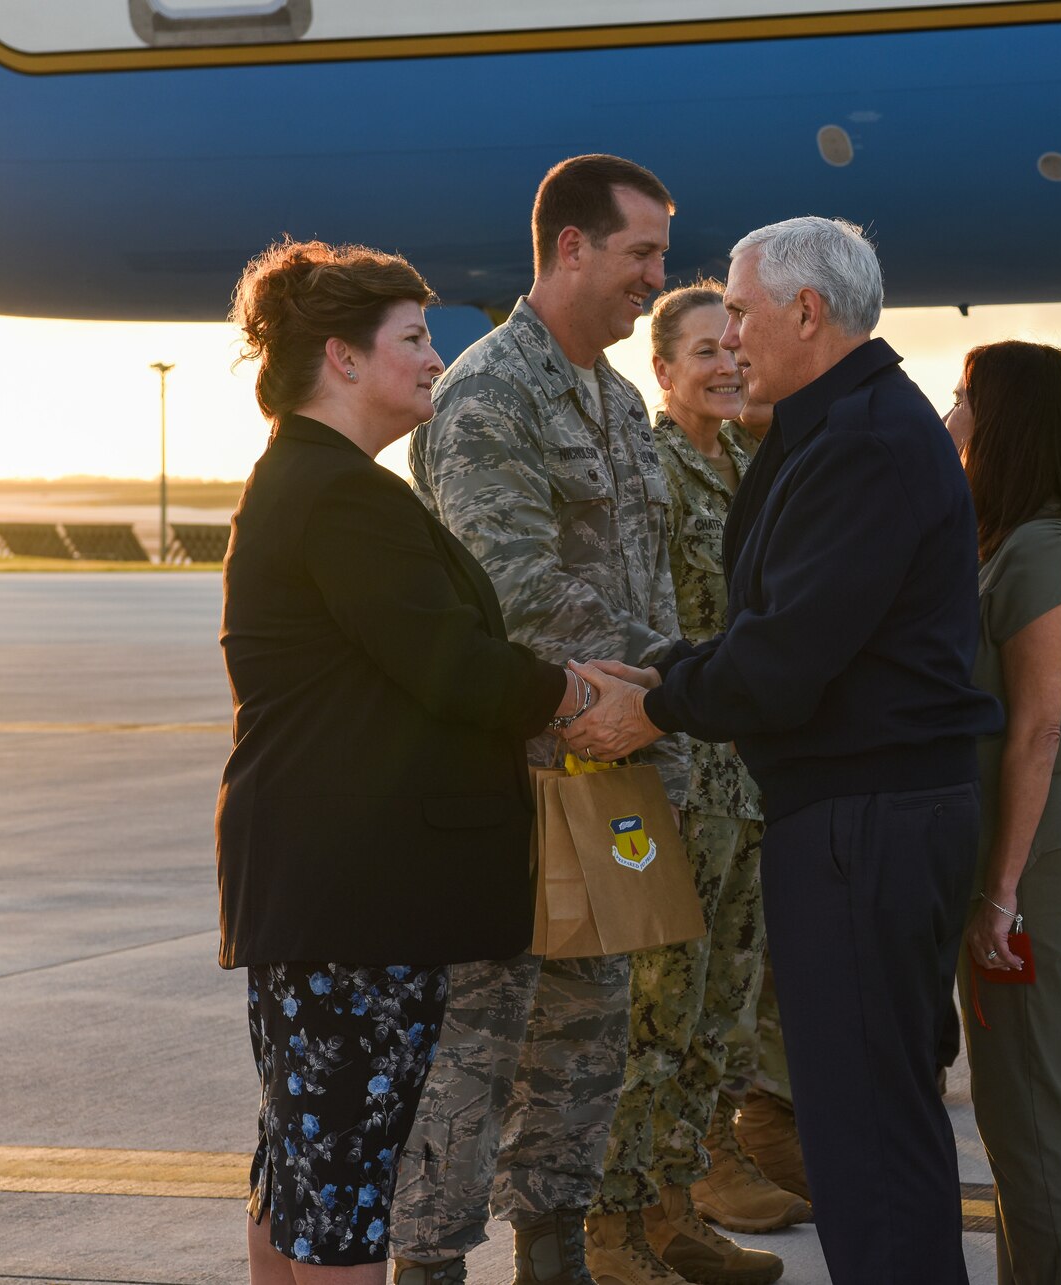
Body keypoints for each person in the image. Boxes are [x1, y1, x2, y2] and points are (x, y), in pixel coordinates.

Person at [564, 217, 1001, 1285]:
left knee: (861, 1124)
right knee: (874, 1118)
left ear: (808, 311)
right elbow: (781, 627)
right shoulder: (847, 423)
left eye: (746, 314)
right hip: (874, 812)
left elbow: (788, 654)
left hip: (865, 820)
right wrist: (668, 670)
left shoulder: (857, 440)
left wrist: (651, 711)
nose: (733, 337)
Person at [217, 239, 626, 1279]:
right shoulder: (339, 495)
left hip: (325, 893)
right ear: (342, 359)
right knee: (344, 1186)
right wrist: (579, 692)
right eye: (414, 339)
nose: (437, 358)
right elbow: (451, 666)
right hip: (356, 901)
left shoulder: (316, 482)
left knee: (308, 1169)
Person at [389, 154, 689, 1285]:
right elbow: (514, 588)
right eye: (640, 254)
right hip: (505, 782)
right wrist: (678, 687)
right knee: (478, 1047)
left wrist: (660, 702)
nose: (656, 278)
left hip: (605, 771)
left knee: (583, 1036)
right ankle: (430, 1266)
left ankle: (553, 1255)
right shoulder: (485, 393)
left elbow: (643, 583)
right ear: (569, 248)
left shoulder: (613, 397)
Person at [586, 281, 802, 1285]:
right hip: (679, 778)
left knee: (720, 1009)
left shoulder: (757, 463)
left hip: (749, 777)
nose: (725, 363)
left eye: (733, 346)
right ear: (661, 366)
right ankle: (613, 1225)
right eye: (702, 350)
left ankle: (681, 1200)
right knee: (655, 1015)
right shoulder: (652, 471)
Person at [944, 341, 1061, 1284]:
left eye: (965, 397)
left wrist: (1000, 890)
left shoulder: (1046, 542)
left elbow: (1039, 730)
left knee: (1027, 1110)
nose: (951, 411)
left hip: (1037, 850)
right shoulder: (1019, 534)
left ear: (1005, 417)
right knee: (1013, 1110)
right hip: (1027, 841)